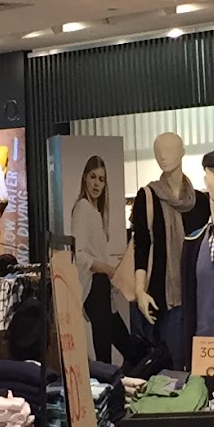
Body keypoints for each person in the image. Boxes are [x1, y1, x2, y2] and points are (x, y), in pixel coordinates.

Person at [68, 153, 126, 361]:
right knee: (105, 350)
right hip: (94, 285)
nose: (97, 184)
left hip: (101, 286)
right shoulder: (83, 208)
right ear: (84, 177)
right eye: (93, 177)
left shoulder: (95, 211)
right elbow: (79, 253)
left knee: (116, 344)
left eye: (101, 179)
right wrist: (107, 268)